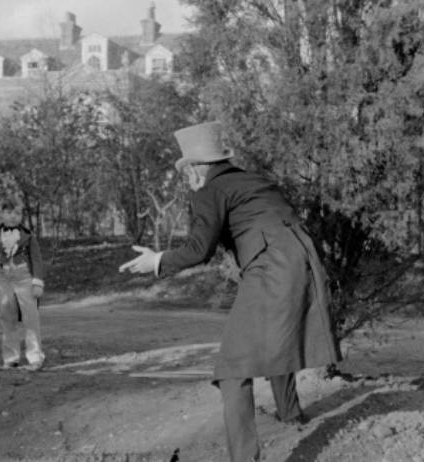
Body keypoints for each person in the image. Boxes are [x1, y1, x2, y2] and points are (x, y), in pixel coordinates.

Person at [119, 121, 341, 462]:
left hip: (272, 267)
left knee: (233, 367)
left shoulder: (209, 190)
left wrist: (158, 260)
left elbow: (198, 249)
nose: (185, 177)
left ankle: (245, 457)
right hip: (304, 260)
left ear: (196, 168)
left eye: (185, 169)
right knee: (275, 339)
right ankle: (291, 414)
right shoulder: (253, 180)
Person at [0, 198, 46, 371]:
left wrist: (38, 282)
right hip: (2, 278)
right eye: (9, 212)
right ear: (2, 214)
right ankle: (11, 358)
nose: (13, 217)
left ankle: (35, 358)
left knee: (30, 317)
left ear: (21, 216)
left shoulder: (28, 236)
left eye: (17, 213)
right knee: (6, 317)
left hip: (24, 276)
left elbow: (37, 260)